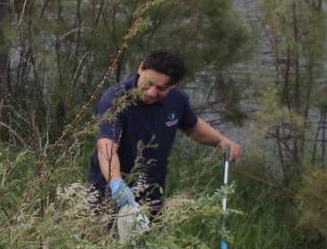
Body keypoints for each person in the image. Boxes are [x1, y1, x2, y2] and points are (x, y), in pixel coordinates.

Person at [88, 50, 242, 218]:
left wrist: (221, 140)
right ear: (141, 68)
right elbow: (107, 147)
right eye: (149, 83)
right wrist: (116, 183)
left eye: (161, 88)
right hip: (108, 192)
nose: (151, 92)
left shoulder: (178, 100)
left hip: (150, 195)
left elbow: (192, 126)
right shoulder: (115, 98)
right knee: (103, 241)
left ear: (173, 85)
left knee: (145, 241)